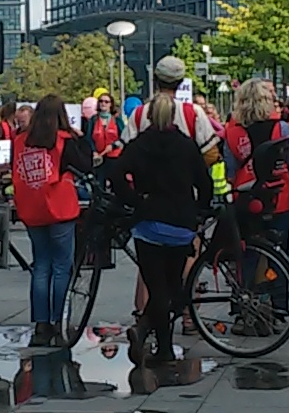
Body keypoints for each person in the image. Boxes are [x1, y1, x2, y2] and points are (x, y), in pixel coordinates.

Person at [111, 92, 212, 365]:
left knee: (157, 289)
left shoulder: (140, 144)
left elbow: (116, 173)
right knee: (172, 287)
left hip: (149, 224)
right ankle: (156, 342)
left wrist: (133, 201)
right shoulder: (186, 145)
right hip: (180, 223)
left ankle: (151, 335)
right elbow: (205, 183)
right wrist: (200, 211)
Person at [13, 94, 91, 347]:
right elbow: (86, 165)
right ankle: (58, 322)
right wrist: (81, 138)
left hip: (32, 208)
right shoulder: (63, 141)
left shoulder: (21, 140)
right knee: (61, 267)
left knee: (41, 266)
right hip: (59, 209)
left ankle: (41, 324)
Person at [224, 78, 289, 257]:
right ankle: (278, 282)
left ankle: (249, 283)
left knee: (249, 252)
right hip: (279, 197)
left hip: (246, 198)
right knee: (279, 252)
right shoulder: (282, 129)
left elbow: (230, 171)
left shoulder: (232, 132)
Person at [86, 92, 125, 166]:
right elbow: (88, 137)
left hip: (115, 158)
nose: (103, 103)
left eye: (106, 102)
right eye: (101, 101)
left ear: (111, 104)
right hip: (98, 158)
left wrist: (113, 145)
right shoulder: (93, 119)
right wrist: (94, 151)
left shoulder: (117, 120)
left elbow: (124, 137)